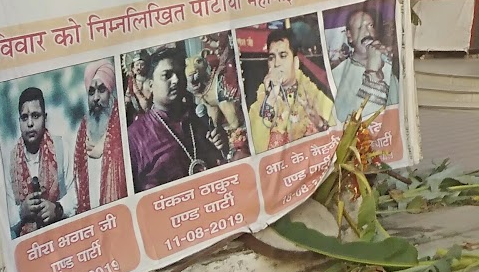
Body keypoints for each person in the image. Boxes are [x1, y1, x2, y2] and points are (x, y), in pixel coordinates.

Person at [128, 46, 225, 192]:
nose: (176, 80)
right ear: (151, 85)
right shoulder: (135, 136)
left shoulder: (197, 119)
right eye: (166, 75)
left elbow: (216, 163)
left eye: (179, 73)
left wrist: (221, 146)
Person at [249, 28, 332, 152]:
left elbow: (338, 134)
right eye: (271, 58)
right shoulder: (259, 105)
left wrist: (320, 124)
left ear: (296, 62)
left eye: (283, 56)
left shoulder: (314, 96)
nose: (276, 63)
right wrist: (270, 100)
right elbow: (258, 151)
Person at [7, 86, 70, 237]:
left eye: (35, 116)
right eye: (24, 117)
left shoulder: (61, 147)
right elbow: (3, 211)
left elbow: (77, 192)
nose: (30, 123)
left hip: (61, 235)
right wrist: (21, 211)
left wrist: (57, 208)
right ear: (19, 121)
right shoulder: (9, 159)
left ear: (45, 118)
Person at [72, 61, 127, 214]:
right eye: (91, 92)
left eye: (101, 90)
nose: (95, 98)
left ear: (111, 92)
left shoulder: (124, 125)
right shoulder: (82, 131)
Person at [330, 9, 401, 123]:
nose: (367, 33)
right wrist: (372, 72)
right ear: (349, 35)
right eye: (359, 28)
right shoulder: (337, 75)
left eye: (370, 25)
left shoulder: (387, 64)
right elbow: (347, 120)